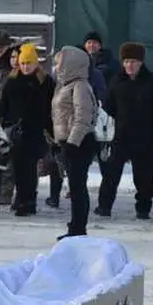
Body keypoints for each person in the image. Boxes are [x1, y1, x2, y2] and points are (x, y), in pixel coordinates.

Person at [94, 42, 153, 220]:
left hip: (146, 136)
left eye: (133, 61)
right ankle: (104, 206)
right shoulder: (116, 81)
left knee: (144, 177)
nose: (129, 65)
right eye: (126, 61)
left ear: (141, 62)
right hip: (120, 136)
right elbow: (108, 106)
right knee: (111, 174)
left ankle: (143, 208)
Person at [0, 42, 55, 216]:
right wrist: (5, 124)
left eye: (28, 63)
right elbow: (3, 105)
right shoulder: (12, 81)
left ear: (36, 63)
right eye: (22, 63)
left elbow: (51, 107)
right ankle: (21, 198)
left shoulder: (45, 82)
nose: (25, 66)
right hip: (15, 131)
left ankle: (28, 201)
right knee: (17, 168)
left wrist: (50, 130)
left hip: (36, 131)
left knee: (30, 169)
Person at [51, 46, 97, 240]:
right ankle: (75, 226)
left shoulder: (80, 86)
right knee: (75, 186)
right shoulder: (65, 84)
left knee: (78, 187)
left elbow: (82, 118)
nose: (56, 66)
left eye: (59, 62)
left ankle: (78, 228)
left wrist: (72, 144)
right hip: (68, 142)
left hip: (79, 143)